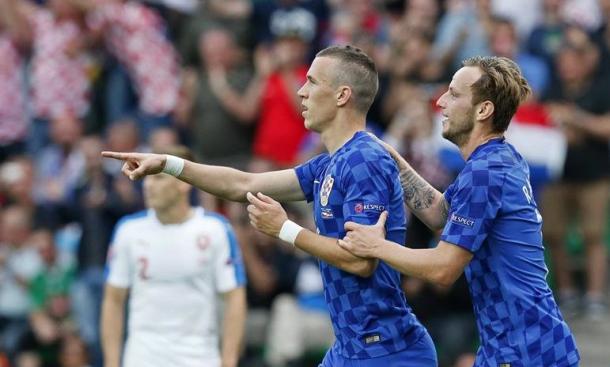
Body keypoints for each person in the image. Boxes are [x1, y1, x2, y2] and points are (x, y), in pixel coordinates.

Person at [102, 45, 437, 366]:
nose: (302, 92)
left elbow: (361, 261)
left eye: (312, 81)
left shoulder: (364, 159)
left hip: (387, 350)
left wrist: (285, 230)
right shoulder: (327, 165)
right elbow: (242, 184)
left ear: (342, 95)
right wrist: (168, 163)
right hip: (352, 347)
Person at [337, 56, 581, 366]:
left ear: (483, 110)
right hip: (520, 348)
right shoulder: (497, 158)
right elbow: (444, 216)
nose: (440, 102)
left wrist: (376, 246)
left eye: (453, 93)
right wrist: (392, 158)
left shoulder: (485, 172)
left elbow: (444, 269)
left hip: (526, 353)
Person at [100, 146, 247, 367]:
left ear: (183, 183)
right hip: (141, 357)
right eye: (147, 179)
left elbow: (234, 298)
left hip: (199, 358)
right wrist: (111, 363)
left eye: (158, 178)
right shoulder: (128, 230)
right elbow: (113, 299)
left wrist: (229, 360)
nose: (148, 185)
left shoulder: (215, 229)